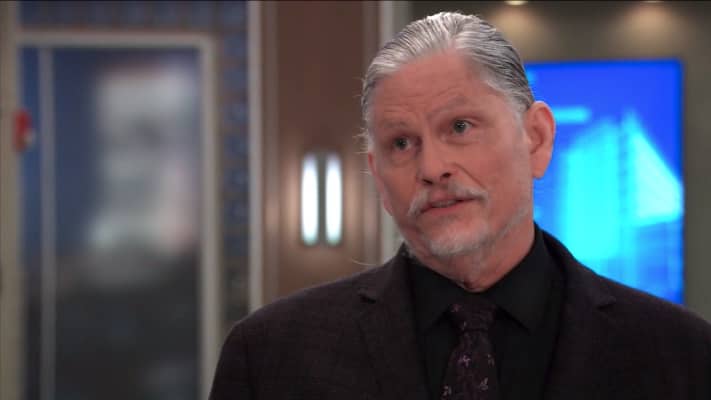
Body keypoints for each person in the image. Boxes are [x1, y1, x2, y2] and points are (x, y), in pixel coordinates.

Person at [209, 11, 711, 400]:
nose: (432, 167)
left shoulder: (681, 354)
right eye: (401, 143)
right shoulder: (272, 355)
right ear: (379, 177)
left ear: (536, 139)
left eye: (460, 127)